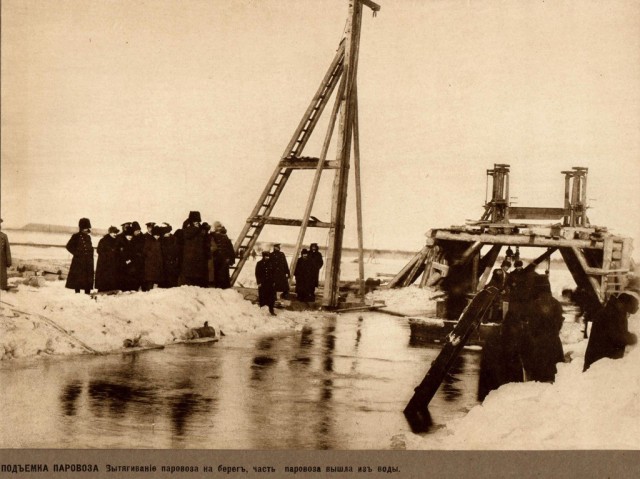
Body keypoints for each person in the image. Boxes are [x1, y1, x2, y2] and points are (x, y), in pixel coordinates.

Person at [583, 277, 640, 372]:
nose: (637, 308)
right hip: (599, 364)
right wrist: (632, 338)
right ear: (626, 304)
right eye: (636, 306)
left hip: (599, 360)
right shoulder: (613, 314)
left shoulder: (613, 310)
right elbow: (617, 336)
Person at [520, 274, 565, 382]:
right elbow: (559, 322)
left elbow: (532, 326)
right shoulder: (556, 303)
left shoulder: (534, 304)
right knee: (553, 372)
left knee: (538, 375)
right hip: (554, 342)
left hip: (538, 344)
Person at [65, 217, 94, 294]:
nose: (87, 229)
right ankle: (77, 293)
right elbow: (68, 246)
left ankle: (87, 292)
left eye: (88, 228)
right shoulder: (76, 236)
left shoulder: (88, 237)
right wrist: (77, 254)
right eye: (85, 228)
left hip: (88, 261)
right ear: (82, 228)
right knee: (78, 277)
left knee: (87, 278)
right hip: (79, 261)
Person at [180, 211, 208, 286]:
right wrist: (198, 229)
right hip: (190, 257)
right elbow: (188, 235)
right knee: (190, 278)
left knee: (197, 278)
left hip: (197, 257)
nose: (197, 223)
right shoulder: (189, 229)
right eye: (195, 221)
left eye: (198, 222)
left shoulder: (199, 230)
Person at [95, 226, 120, 292]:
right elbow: (99, 250)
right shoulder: (103, 240)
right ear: (109, 233)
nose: (115, 234)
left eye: (116, 233)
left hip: (113, 262)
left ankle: (112, 290)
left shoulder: (117, 240)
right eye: (113, 233)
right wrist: (108, 254)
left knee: (112, 277)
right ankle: (102, 290)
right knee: (104, 277)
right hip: (104, 263)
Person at [211, 222, 235, 289]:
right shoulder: (213, 236)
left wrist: (230, 258)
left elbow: (230, 248)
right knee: (217, 275)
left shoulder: (224, 236)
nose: (218, 229)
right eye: (217, 227)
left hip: (223, 259)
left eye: (219, 227)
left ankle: (223, 288)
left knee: (223, 276)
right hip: (216, 259)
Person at [142, 225, 164, 291]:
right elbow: (144, 251)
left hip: (157, 265)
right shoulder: (149, 241)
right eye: (155, 235)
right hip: (150, 265)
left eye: (158, 235)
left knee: (155, 282)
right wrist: (151, 255)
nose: (157, 237)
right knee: (150, 282)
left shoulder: (159, 242)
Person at [159, 223, 180, 288]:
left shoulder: (174, 239)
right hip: (163, 262)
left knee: (171, 280)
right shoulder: (161, 239)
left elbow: (176, 250)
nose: (166, 234)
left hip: (171, 262)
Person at [256, 251, 277, 315]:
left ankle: (271, 310)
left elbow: (274, 273)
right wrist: (259, 282)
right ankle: (262, 310)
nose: (267, 257)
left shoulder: (272, 263)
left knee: (271, 297)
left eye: (268, 256)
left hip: (270, 283)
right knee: (262, 296)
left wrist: (274, 282)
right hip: (263, 283)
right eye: (266, 256)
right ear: (263, 256)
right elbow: (257, 274)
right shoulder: (259, 263)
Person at [0, 218, 12, 291]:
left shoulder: (4, 236)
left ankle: (2, 288)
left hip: (1, 260)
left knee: (2, 276)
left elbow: (7, 250)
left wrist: (8, 261)